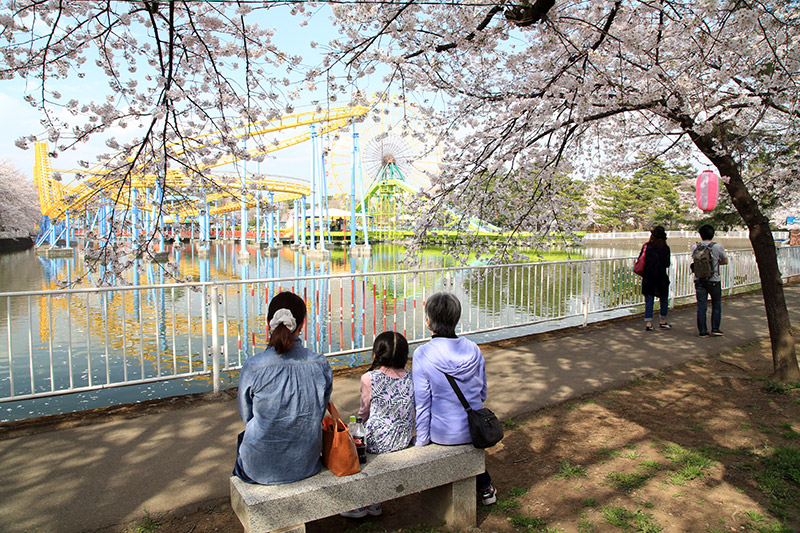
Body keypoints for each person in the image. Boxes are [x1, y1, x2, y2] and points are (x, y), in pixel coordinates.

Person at [233, 291, 333, 485]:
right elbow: (319, 411)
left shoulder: (254, 366)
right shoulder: (320, 364)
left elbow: (247, 415)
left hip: (259, 469)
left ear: (268, 323)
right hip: (306, 464)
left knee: (245, 440)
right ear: (302, 325)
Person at [412, 292, 497, 505]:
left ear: (429, 322)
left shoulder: (422, 355)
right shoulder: (474, 350)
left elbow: (422, 405)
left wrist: (421, 441)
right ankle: (486, 486)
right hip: (473, 430)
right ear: (456, 319)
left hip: (442, 434)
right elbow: (482, 393)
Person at [340, 331, 415, 519]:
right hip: (403, 438)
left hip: (378, 442)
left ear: (377, 353)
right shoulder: (410, 377)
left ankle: (359, 503)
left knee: (352, 436)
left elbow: (364, 413)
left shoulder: (370, 378)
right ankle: (374, 503)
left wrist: (355, 429)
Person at [693, 224, 729, 337]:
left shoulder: (695, 247)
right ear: (712, 234)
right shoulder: (718, 247)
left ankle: (702, 331)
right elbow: (725, 261)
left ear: (701, 234)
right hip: (714, 279)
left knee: (701, 305)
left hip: (699, 279)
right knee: (716, 304)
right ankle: (715, 328)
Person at [640, 225, 672, 331]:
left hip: (648, 277)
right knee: (663, 299)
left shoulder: (647, 246)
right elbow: (667, 263)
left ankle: (649, 323)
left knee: (649, 300)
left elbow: (640, 259)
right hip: (661, 277)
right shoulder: (665, 248)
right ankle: (663, 321)